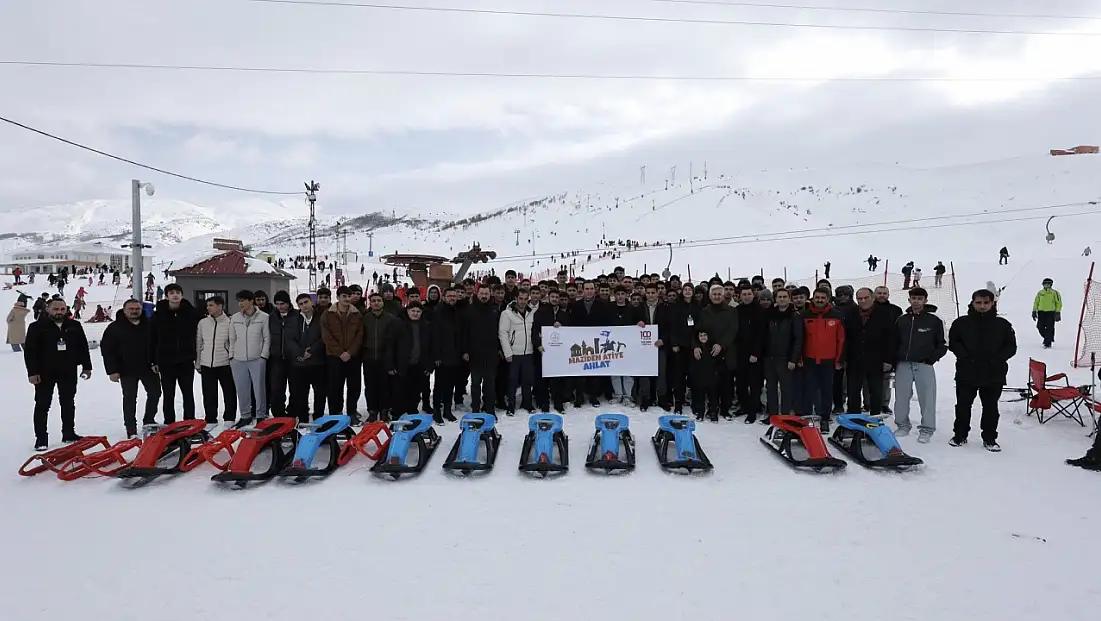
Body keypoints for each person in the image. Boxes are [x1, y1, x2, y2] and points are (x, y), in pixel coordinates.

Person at [949, 289, 1017, 452]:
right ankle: (960, 435)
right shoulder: (961, 323)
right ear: (972, 303)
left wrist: (996, 360)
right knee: (963, 406)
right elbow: (953, 342)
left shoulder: (1003, 324)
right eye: (978, 302)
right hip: (967, 372)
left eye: (986, 302)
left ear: (992, 303)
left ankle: (990, 438)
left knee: (991, 407)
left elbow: (1011, 347)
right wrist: (965, 357)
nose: (982, 306)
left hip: (993, 373)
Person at [24, 298, 92, 450]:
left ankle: (68, 433)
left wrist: (87, 366)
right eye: (56, 309)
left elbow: (83, 346)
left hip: (68, 370)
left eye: (62, 309)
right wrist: (32, 372)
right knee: (42, 404)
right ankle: (41, 438)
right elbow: (30, 351)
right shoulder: (37, 327)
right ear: (48, 309)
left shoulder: (74, 325)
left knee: (68, 402)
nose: (59, 312)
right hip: (44, 372)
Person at [100, 300, 161, 438]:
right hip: (126, 369)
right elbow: (108, 350)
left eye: (137, 309)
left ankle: (149, 420)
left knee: (155, 393)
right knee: (129, 398)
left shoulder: (149, 325)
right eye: (131, 309)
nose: (134, 311)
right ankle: (131, 428)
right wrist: (112, 370)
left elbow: (156, 345)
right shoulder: (115, 327)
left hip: (148, 367)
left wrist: (156, 362)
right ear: (125, 310)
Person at [893, 288, 947, 443]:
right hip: (903, 364)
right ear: (909, 300)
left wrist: (931, 359)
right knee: (901, 397)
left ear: (925, 300)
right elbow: (894, 341)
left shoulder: (934, 320)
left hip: (924, 365)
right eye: (913, 298)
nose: (916, 301)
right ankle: (902, 425)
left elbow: (943, 344)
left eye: (919, 298)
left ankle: (927, 429)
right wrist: (895, 358)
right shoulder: (902, 319)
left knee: (927, 397)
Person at [150, 283, 200, 423]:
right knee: (168, 394)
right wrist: (154, 360)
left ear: (182, 295)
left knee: (188, 393)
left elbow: (200, 335)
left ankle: (189, 420)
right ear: (167, 296)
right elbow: (152, 339)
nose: (175, 295)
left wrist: (197, 356)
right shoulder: (158, 315)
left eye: (178, 292)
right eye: (171, 293)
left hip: (186, 359)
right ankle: (169, 421)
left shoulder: (192, 313)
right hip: (166, 361)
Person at [843, 288, 895, 416]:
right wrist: (844, 358)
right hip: (854, 359)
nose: (863, 301)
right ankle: (853, 416)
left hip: (876, 359)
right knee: (853, 391)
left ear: (872, 298)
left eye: (866, 298)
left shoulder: (884, 314)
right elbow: (845, 337)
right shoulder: (850, 313)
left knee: (876, 391)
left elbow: (891, 338)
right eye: (860, 299)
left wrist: (888, 360)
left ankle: (875, 416)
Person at [800, 288, 845, 431]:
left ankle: (825, 418)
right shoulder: (804, 315)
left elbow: (841, 339)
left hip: (828, 360)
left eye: (823, 298)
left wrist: (839, 360)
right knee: (808, 389)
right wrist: (799, 357)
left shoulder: (837, 315)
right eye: (817, 297)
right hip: (809, 359)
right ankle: (807, 417)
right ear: (812, 298)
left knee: (827, 390)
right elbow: (799, 339)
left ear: (828, 299)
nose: (819, 300)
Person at [696, 284, 739, 419]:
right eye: (714, 294)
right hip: (710, 352)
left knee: (726, 383)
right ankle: (712, 408)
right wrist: (699, 345)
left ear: (723, 295)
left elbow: (733, 330)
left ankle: (725, 409)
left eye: (719, 294)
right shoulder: (704, 311)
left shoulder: (732, 311)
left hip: (726, 351)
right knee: (711, 383)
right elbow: (698, 330)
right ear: (710, 296)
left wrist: (721, 344)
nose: (717, 296)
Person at [228, 290, 270, 424]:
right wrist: (232, 356)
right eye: (239, 301)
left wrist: (263, 356)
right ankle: (245, 415)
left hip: (257, 358)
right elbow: (232, 338)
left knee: (259, 389)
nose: (240, 303)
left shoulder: (264, 317)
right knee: (241, 389)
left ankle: (260, 414)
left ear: (251, 301)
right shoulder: (235, 318)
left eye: (243, 300)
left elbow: (267, 338)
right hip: (238, 359)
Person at [321, 286, 364, 420]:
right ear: (338, 297)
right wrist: (340, 352)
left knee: (354, 386)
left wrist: (350, 352)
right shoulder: (328, 314)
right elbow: (326, 335)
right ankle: (335, 413)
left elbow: (360, 334)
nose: (346, 299)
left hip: (353, 356)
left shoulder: (357, 314)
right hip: (334, 356)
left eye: (348, 296)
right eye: (344, 296)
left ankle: (352, 411)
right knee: (335, 386)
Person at [284, 293, 327, 423]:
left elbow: (324, 337)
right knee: (300, 393)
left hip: (318, 362)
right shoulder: (293, 319)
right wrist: (301, 353)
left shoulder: (322, 318)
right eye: (301, 304)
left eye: (306, 302)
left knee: (320, 393)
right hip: (300, 363)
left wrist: (312, 350)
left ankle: (319, 418)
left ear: (312, 302)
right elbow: (289, 339)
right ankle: (303, 418)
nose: (304, 306)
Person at [195, 296, 236, 425]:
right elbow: (199, 342)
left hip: (225, 364)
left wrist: (232, 358)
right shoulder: (203, 323)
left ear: (220, 306)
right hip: (207, 364)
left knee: (229, 392)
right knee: (208, 393)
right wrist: (198, 361)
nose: (208, 308)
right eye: (208, 305)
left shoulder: (230, 322)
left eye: (211, 305)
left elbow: (233, 343)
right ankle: (210, 418)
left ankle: (229, 418)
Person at [763, 288, 803, 418]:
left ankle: (785, 416)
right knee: (771, 388)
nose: (782, 299)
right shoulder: (770, 314)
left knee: (786, 389)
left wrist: (793, 359)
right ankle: (772, 415)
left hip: (786, 359)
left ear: (789, 298)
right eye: (779, 297)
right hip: (770, 358)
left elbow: (798, 339)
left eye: (784, 296)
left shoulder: (794, 315)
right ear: (775, 299)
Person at [362, 292, 400, 422]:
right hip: (369, 357)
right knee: (370, 386)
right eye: (373, 301)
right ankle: (372, 411)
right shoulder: (365, 318)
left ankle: (384, 411)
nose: (376, 303)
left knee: (385, 386)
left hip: (385, 358)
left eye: (379, 300)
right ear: (370, 303)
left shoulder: (391, 319)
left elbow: (394, 340)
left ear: (383, 303)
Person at [499, 288, 536, 415]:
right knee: (512, 380)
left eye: (526, 299)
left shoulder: (532, 312)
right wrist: (507, 352)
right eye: (521, 298)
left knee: (527, 380)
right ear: (516, 298)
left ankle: (527, 403)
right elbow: (503, 333)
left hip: (528, 352)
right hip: (514, 353)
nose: (523, 301)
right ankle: (511, 405)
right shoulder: (507, 313)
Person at [395, 301, 434, 417]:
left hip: (419, 363)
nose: (415, 314)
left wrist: (429, 365)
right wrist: (392, 364)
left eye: (418, 311)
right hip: (403, 363)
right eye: (413, 311)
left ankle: (413, 410)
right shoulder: (400, 325)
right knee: (401, 389)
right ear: (408, 311)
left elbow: (432, 347)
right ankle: (399, 411)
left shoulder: (426, 326)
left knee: (416, 390)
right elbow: (392, 344)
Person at [431, 288, 464, 422]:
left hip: (454, 355)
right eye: (449, 296)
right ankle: (437, 411)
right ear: (444, 297)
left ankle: (447, 410)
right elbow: (434, 335)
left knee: (451, 384)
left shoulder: (457, 311)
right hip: (442, 355)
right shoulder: (438, 312)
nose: (452, 298)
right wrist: (436, 355)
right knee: (439, 385)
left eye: (454, 296)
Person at [266, 290, 298, 418]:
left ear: (288, 303)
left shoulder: (297, 316)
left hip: (293, 358)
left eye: (282, 304)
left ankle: (293, 413)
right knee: (277, 389)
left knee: (295, 389)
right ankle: (278, 414)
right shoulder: (272, 317)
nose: (280, 307)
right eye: (277, 304)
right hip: (277, 358)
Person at [690, 327, 720, 421]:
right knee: (700, 397)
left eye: (705, 335)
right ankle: (700, 413)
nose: (703, 337)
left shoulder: (713, 347)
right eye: (701, 336)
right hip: (700, 377)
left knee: (713, 397)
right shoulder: (696, 349)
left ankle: (714, 413)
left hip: (711, 377)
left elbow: (717, 362)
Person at [1031, 278, 1062, 349]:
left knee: (1049, 327)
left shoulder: (1055, 293)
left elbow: (1059, 303)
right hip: (1041, 312)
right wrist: (1034, 311)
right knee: (1040, 326)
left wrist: (1057, 312)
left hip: (1051, 312)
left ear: (1051, 284)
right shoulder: (1040, 293)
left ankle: (1047, 343)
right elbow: (1036, 302)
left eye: (1048, 284)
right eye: (1045, 284)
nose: (1046, 285)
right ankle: (1048, 338)